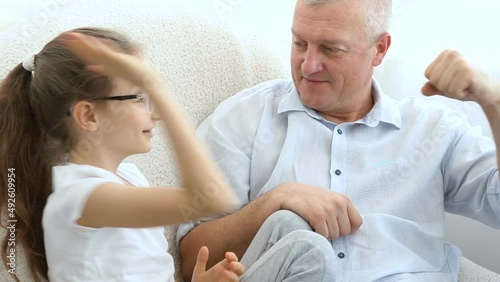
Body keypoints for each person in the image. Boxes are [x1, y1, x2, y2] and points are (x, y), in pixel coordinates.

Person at [177, 0, 500, 281]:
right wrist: (276, 200)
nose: (308, 65)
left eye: (331, 49)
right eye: (299, 43)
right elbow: (194, 260)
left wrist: (494, 102)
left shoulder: (433, 130)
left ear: (380, 49)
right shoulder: (243, 119)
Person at [0, 28, 245, 281]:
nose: (156, 113)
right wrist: (157, 89)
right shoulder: (78, 196)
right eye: (140, 97)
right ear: (89, 116)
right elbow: (210, 198)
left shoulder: (131, 177)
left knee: (282, 227)